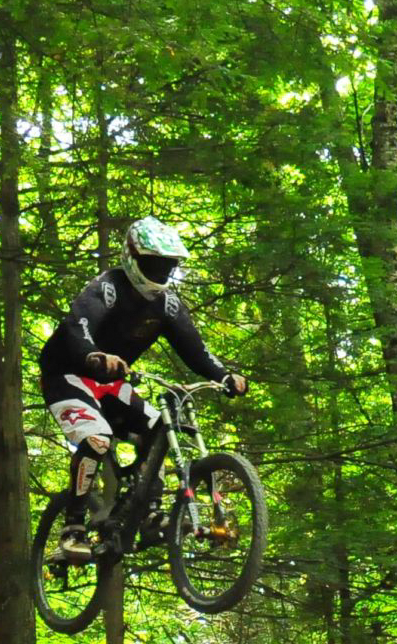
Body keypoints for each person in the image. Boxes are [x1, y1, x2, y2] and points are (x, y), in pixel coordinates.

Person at [35, 216, 246, 557]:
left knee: (160, 428)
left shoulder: (167, 304)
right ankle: (73, 528)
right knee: (97, 439)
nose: (160, 273)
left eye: (167, 266)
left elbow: (196, 350)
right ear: (132, 258)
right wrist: (94, 356)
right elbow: (78, 325)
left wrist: (224, 376)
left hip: (111, 386)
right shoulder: (108, 287)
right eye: (153, 264)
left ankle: (148, 510)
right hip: (67, 376)